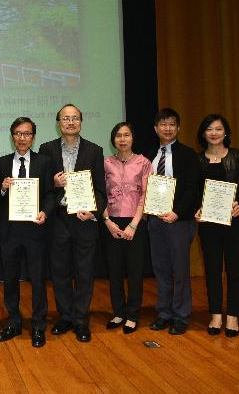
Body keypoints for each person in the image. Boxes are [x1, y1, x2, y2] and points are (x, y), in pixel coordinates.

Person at [39, 104, 106, 343]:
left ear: (81, 122)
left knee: (85, 271)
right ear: (58, 123)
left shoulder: (94, 150)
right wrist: (54, 184)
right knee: (60, 271)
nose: (70, 122)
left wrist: (92, 210)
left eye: (75, 118)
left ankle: (80, 319)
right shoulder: (46, 150)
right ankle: (65, 316)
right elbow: (42, 187)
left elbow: (100, 189)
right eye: (65, 118)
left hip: (84, 219)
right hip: (58, 218)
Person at [0, 117, 56, 348]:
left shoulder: (44, 162)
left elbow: (51, 194)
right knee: (10, 279)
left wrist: (45, 212)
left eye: (27, 134)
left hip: (35, 229)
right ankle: (13, 322)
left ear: (33, 137)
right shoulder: (0, 163)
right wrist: (1, 188)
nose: (22, 138)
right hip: (9, 231)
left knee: (38, 279)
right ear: (12, 136)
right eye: (18, 133)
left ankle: (39, 325)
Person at [194, 114, 239, 338]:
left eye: (218, 129)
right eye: (209, 129)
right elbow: (195, 192)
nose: (214, 133)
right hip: (209, 224)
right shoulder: (198, 160)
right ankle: (216, 314)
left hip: (235, 223)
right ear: (203, 133)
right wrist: (197, 209)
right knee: (212, 269)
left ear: (225, 132)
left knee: (235, 269)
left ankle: (233, 315)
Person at [147, 108, 200, 335]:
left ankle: (180, 315)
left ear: (178, 128)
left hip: (178, 221)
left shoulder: (188, 155)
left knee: (180, 270)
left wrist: (177, 213)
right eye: (162, 124)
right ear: (155, 128)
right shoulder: (149, 154)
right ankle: (164, 312)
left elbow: (192, 189)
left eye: (171, 124)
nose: (167, 128)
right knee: (161, 269)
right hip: (155, 220)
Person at [101, 121, 150, 334]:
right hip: (111, 222)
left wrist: (133, 225)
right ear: (113, 140)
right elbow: (99, 194)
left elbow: (145, 196)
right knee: (114, 271)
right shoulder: (105, 163)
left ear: (132, 138)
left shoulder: (143, 163)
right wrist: (107, 221)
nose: (122, 139)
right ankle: (118, 311)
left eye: (126, 135)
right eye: (118, 136)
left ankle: (132, 314)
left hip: (135, 222)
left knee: (135, 270)